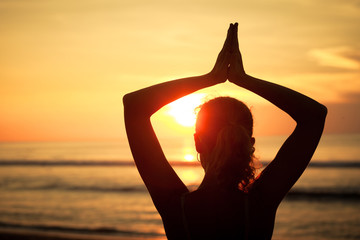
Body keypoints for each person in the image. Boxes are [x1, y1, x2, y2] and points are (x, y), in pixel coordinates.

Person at [123, 23, 327, 239]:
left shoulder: (176, 206)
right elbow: (313, 116)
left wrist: (211, 77)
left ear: (197, 142)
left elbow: (134, 106)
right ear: (249, 144)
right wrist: (243, 78)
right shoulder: (259, 205)